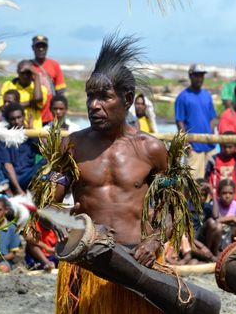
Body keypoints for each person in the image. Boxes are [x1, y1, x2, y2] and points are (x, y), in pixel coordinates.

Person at [51, 35, 170, 313]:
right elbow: (49, 199)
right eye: (90, 96)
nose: (94, 105)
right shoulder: (72, 146)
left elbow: (172, 207)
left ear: (127, 99)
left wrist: (155, 240)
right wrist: (54, 216)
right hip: (86, 262)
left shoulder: (152, 149)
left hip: (139, 263)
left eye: (104, 96)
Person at [0, 103, 44, 194]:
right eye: (13, 119)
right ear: (7, 120)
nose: (17, 121)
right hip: (8, 178)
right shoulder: (2, 136)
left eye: (19, 117)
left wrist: (32, 130)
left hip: (28, 175)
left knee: (50, 159)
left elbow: (46, 151)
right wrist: (18, 189)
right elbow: (8, 165)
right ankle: (7, 190)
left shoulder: (30, 134)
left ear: (24, 117)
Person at [175, 64, 217, 179]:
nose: (199, 78)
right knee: (193, 182)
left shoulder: (207, 95)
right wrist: (187, 143)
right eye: (196, 75)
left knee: (213, 180)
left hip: (210, 146)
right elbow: (180, 121)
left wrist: (212, 135)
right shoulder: (183, 97)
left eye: (201, 75)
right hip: (194, 147)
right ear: (190, 76)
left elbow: (212, 117)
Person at [0, 59, 47, 129]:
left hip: (34, 128)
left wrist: (37, 75)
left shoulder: (41, 89)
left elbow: (38, 99)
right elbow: (3, 108)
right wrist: (30, 103)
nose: (25, 76)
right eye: (23, 73)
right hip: (12, 128)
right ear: (17, 72)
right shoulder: (8, 85)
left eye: (28, 72)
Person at [31, 35, 67, 126]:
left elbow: (60, 92)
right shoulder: (28, 66)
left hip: (50, 115)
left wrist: (62, 117)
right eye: (38, 46)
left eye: (43, 46)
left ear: (47, 48)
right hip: (33, 116)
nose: (41, 49)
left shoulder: (54, 65)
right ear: (33, 48)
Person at [204, 131, 236, 201]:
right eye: (224, 147)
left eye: (230, 147)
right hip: (216, 196)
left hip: (233, 196)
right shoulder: (214, 159)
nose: (227, 150)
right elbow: (207, 175)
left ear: (235, 147)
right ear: (220, 146)